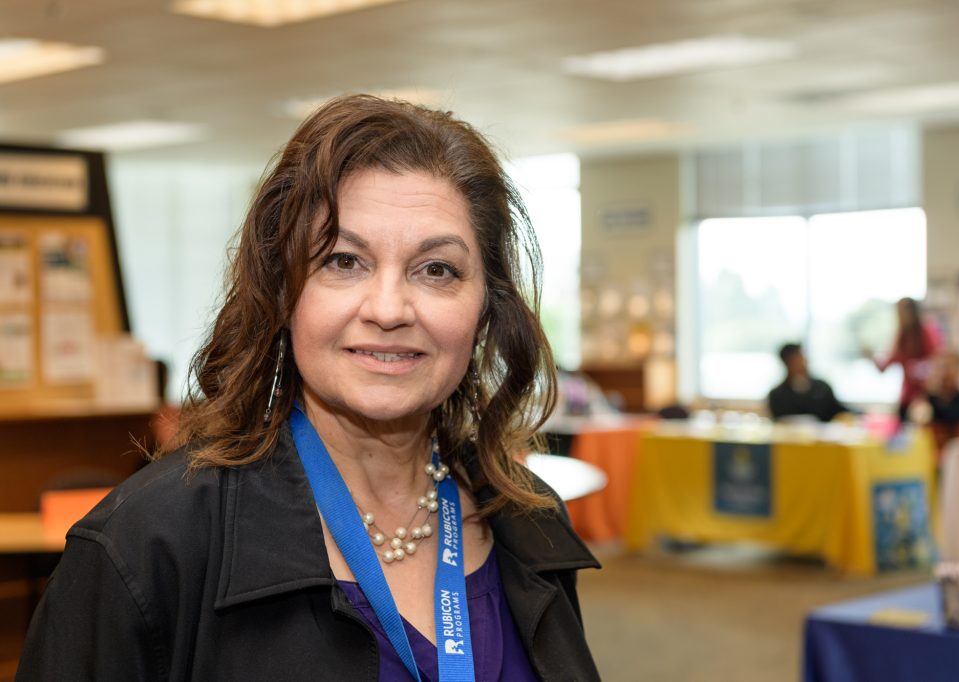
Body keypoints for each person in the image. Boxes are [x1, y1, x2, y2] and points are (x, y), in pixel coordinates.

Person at [17, 96, 600, 681]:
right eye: (344, 261)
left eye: (436, 269)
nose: (389, 309)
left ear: (487, 308)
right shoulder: (147, 545)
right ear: (283, 291)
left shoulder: (528, 520)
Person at [864, 297, 943, 422]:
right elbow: (883, 367)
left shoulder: (927, 333)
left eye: (905, 311)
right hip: (907, 400)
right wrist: (870, 356)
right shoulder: (901, 338)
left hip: (927, 400)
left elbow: (938, 363)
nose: (902, 315)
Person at [767, 342, 850, 422]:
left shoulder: (822, 388)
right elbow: (780, 420)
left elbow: (837, 409)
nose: (803, 361)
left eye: (802, 356)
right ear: (786, 362)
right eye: (797, 358)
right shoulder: (777, 395)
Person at [925, 352, 959, 456]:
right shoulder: (930, 398)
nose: (945, 372)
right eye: (942, 367)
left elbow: (958, 416)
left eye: (949, 367)